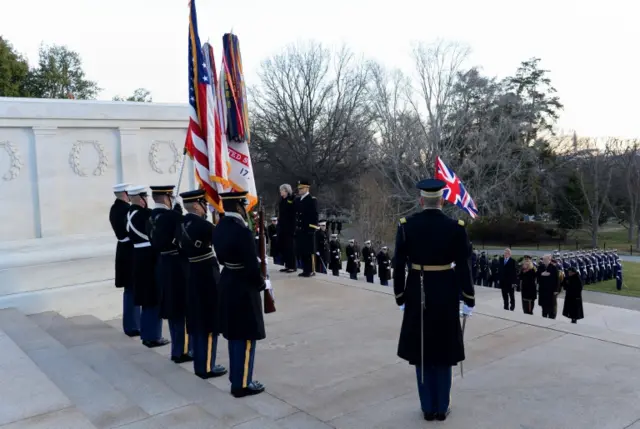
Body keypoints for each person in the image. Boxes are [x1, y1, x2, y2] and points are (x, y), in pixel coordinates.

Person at [393, 178, 475, 422]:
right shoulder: (456, 227)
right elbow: (463, 265)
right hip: (446, 290)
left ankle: (427, 407)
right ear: (442, 200)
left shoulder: (407, 225)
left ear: (421, 200)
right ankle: (442, 406)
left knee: (422, 349)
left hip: (417, 290)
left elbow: (398, 264)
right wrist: (468, 296)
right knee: (444, 348)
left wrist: (400, 296)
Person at [213, 191, 266, 398]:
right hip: (244, 286)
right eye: (245, 205)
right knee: (245, 336)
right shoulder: (242, 231)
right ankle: (242, 383)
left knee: (234, 334)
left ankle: (236, 376)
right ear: (239, 207)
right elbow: (252, 266)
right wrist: (261, 283)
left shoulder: (219, 228)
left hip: (227, 280)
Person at [178, 190, 227, 378]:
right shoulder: (204, 226)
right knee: (208, 320)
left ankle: (200, 362)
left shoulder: (180, 223)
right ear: (197, 205)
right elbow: (221, 247)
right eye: (203, 204)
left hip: (191, 272)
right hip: (207, 274)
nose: (206, 207)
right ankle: (206, 366)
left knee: (196, 319)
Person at [149, 185, 191, 363]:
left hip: (162, 264)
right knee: (181, 309)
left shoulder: (150, 216)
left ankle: (176, 348)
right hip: (177, 265)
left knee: (172, 309)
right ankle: (182, 350)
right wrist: (179, 215)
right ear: (167, 197)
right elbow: (183, 239)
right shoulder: (173, 216)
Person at [125, 185, 169, 348]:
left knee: (146, 299)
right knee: (152, 299)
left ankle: (146, 333)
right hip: (149, 259)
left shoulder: (129, 213)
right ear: (141, 198)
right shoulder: (144, 215)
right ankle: (152, 336)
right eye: (145, 198)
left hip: (139, 258)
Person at [109, 183, 140, 337]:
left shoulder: (114, 209)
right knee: (132, 289)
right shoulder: (127, 211)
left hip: (123, 250)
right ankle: (132, 325)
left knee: (130, 289)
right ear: (125, 194)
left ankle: (132, 323)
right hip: (130, 252)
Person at [294, 179, 319, 277]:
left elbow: (314, 215)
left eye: (301, 188)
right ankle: (305, 269)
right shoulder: (298, 200)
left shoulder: (312, 200)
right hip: (300, 229)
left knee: (309, 251)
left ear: (307, 188)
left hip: (308, 228)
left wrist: (312, 228)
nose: (299, 190)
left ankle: (310, 270)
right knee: (302, 251)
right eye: (299, 188)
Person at [277, 184, 296, 273]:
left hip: (289, 227)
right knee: (284, 246)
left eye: (282, 190)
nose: (280, 192)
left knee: (290, 247)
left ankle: (292, 266)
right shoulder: (282, 200)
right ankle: (287, 265)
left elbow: (292, 213)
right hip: (282, 226)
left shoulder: (291, 199)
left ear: (286, 191)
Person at [537, 254, 561, 319]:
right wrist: (542, 274)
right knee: (544, 307)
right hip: (543, 290)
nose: (544, 261)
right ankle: (544, 316)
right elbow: (537, 277)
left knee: (551, 307)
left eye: (545, 259)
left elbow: (557, 280)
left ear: (549, 260)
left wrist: (556, 290)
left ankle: (552, 317)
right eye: (543, 259)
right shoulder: (541, 267)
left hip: (551, 290)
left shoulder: (553, 268)